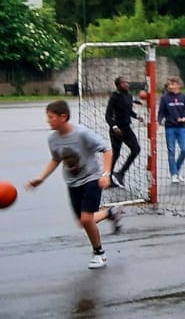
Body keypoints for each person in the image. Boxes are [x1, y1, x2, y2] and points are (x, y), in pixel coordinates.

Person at [26, 100, 123, 269]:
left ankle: (99, 253)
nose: (48, 121)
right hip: (73, 182)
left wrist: (106, 174)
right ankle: (110, 213)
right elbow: (56, 159)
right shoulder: (53, 139)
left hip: (92, 179)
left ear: (63, 117)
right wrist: (41, 178)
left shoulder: (81, 133)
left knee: (86, 219)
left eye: (50, 117)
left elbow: (106, 150)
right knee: (83, 222)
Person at [104, 76, 142, 188]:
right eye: (124, 82)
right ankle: (108, 178)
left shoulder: (129, 96)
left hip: (126, 128)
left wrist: (137, 116)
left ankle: (121, 172)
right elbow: (108, 115)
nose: (127, 84)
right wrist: (114, 127)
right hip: (116, 130)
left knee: (136, 149)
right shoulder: (114, 97)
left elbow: (129, 111)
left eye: (127, 82)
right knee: (116, 154)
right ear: (118, 85)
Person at [157, 76, 185, 184]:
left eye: (172, 84)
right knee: (171, 151)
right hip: (170, 127)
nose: (170, 86)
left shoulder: (184, 97)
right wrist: (158, 121)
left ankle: (176, 169)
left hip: (181, 127)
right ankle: (173, 174)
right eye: (169, 84)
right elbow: (161, 112)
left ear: (178, 85)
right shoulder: (165, 98)